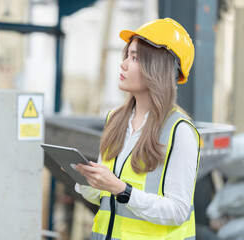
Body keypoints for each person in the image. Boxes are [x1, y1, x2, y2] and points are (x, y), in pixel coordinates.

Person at [75, 18, 200, 240]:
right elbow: (107, 198)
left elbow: (178, 211)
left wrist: (123, 190)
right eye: (127, 55)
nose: (123, 64)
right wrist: (89, 182)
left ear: (158, 68)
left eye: (134, 58)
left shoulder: (179, 131)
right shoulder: (115, 119)